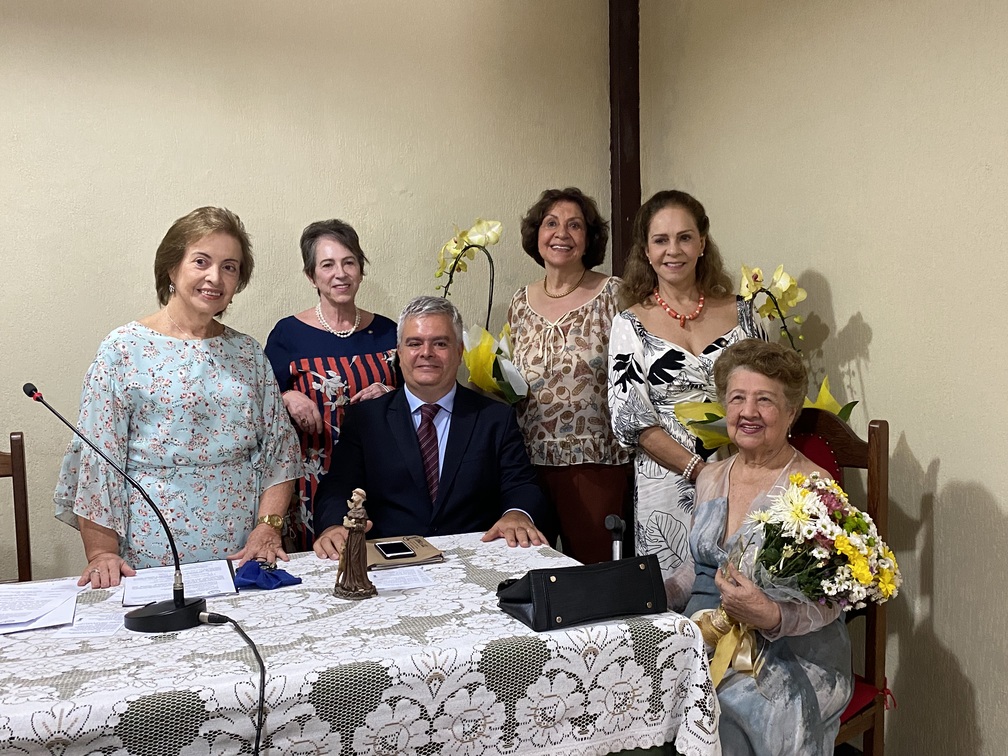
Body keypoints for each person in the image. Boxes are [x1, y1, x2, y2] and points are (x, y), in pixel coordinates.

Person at [54, 207, 303, 588]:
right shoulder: (123, 350)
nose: (214, 277)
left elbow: (280, 450)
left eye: (229, 267)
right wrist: (101, 553)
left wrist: (268, 527)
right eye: (201, 261)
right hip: (152, 560)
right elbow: (98, 460)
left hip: (245, 557)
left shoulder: (248, 353)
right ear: (171, 268)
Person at [668, 339, 852, 754]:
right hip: (705, 634)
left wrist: (772, 615)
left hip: (793, 651)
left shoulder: (814, 488)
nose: (748, 411)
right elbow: (696, 568)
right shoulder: (710, 476)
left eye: (764, 400)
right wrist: (650, 592)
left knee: (723, 717)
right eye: (737, 398)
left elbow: (833, 600)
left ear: (791, 412)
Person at [312, 295, 551, 559]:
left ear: (459, 352)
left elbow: (521, 484)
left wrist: (517, 514)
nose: (426, 353)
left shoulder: (495, 418)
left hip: (473, 556)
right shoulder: (365, 419)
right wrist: (333, 525)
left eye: (440, 343)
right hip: (390, 560)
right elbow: (337, 487)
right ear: (399, 353)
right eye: (414, 343)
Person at [608, 190, 765, 582]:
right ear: (646, 251)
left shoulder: (745, 313)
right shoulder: (629, 325)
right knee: (674, 600)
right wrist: (700, 471)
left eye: (684, 238)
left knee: (745, 590)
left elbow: (772, 396)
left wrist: (734, 474)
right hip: (667, 486)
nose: (673, 250)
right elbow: (633, 422)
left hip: (744, 476)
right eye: (661, 240)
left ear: (702, 243)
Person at [507, 187, 631, 564]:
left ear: (589, 239)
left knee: (596, 573)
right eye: (551, 224)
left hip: (596, 463)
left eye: (574, 225)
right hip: (530, 464)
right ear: (537, 235)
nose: (561, 233)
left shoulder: (614, 294)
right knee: (533, 569)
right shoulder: (519, 302)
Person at [265, 219, 397, 550]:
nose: (340, 274)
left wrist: (390, 394)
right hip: (311, 482)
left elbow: (421, 403)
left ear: (361, 270)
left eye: (349, 262)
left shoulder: (389, 332)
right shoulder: (287, 335)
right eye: (327, 265)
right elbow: (261, 405)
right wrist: (286, 396)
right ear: (312, 276)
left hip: (380, 478)